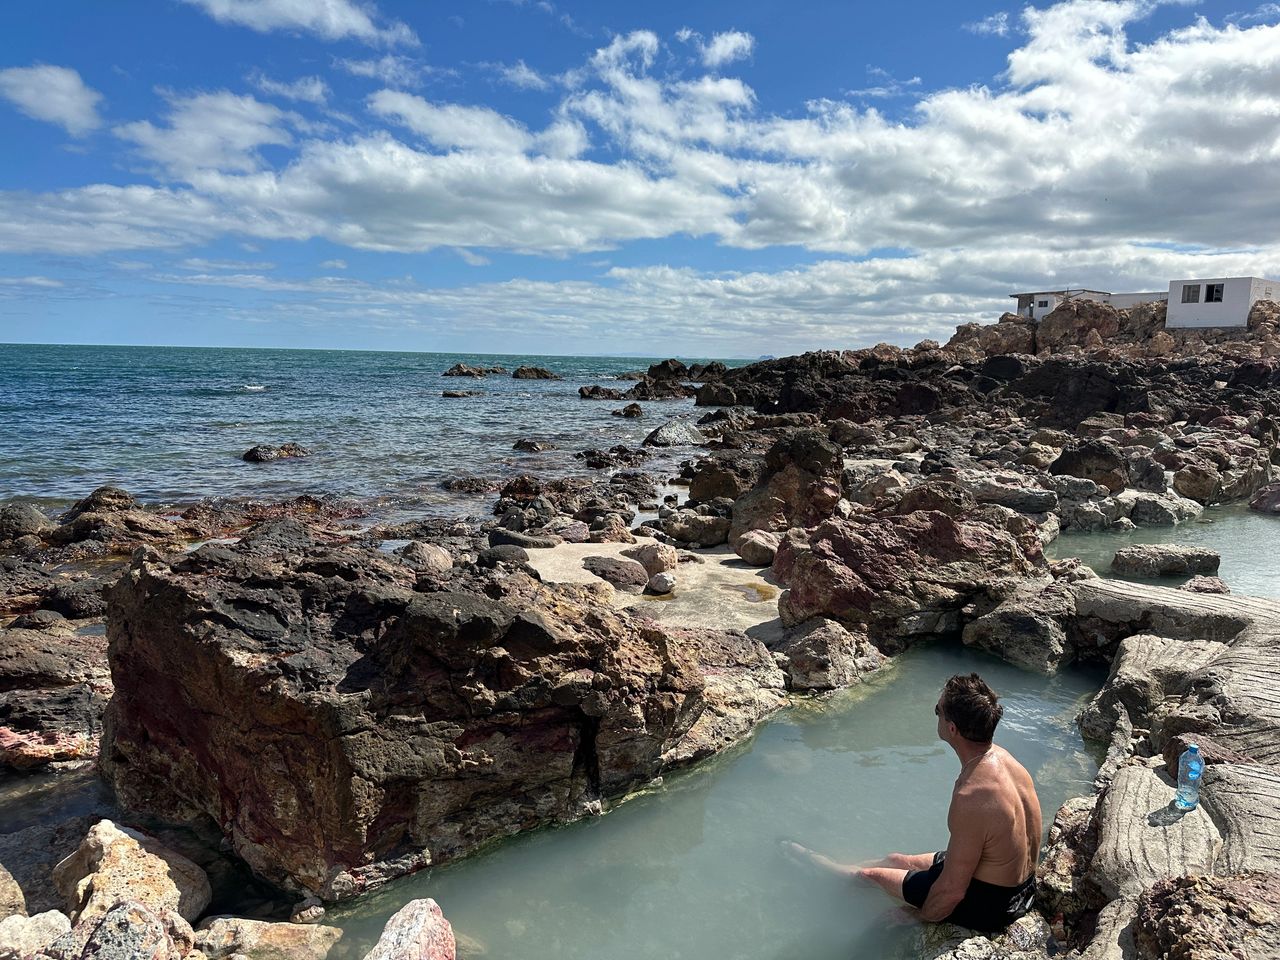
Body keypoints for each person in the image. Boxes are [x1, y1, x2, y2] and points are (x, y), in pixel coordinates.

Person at [786, 673, 1040, 933]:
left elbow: (952, 891)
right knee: (896, 859)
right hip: (1019, 884)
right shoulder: (1006, 760)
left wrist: (921, 916)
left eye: (937, 711)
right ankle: (846, 872)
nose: (935, 715)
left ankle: (816, 866)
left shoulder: (973, 796)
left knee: (869, 876)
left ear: (951, 728)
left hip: (992, 904)